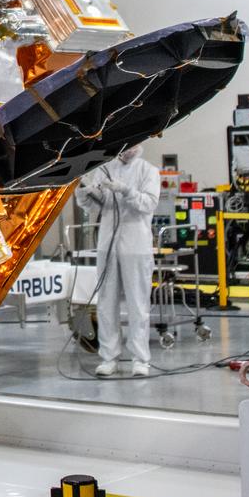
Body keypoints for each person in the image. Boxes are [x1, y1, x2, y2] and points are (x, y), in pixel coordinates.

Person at [76, 143, 162, 376]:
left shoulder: (148, 170)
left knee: (138, 304)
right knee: (106, 302)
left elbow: (149, 203)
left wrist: (126, 190)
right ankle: (109, 357)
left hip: (136, 244)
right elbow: (96, 206)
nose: (127, 150)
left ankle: (140, 359)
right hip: (108, 243)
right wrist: (84, 192)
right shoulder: (104, 169)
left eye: (132, 145)